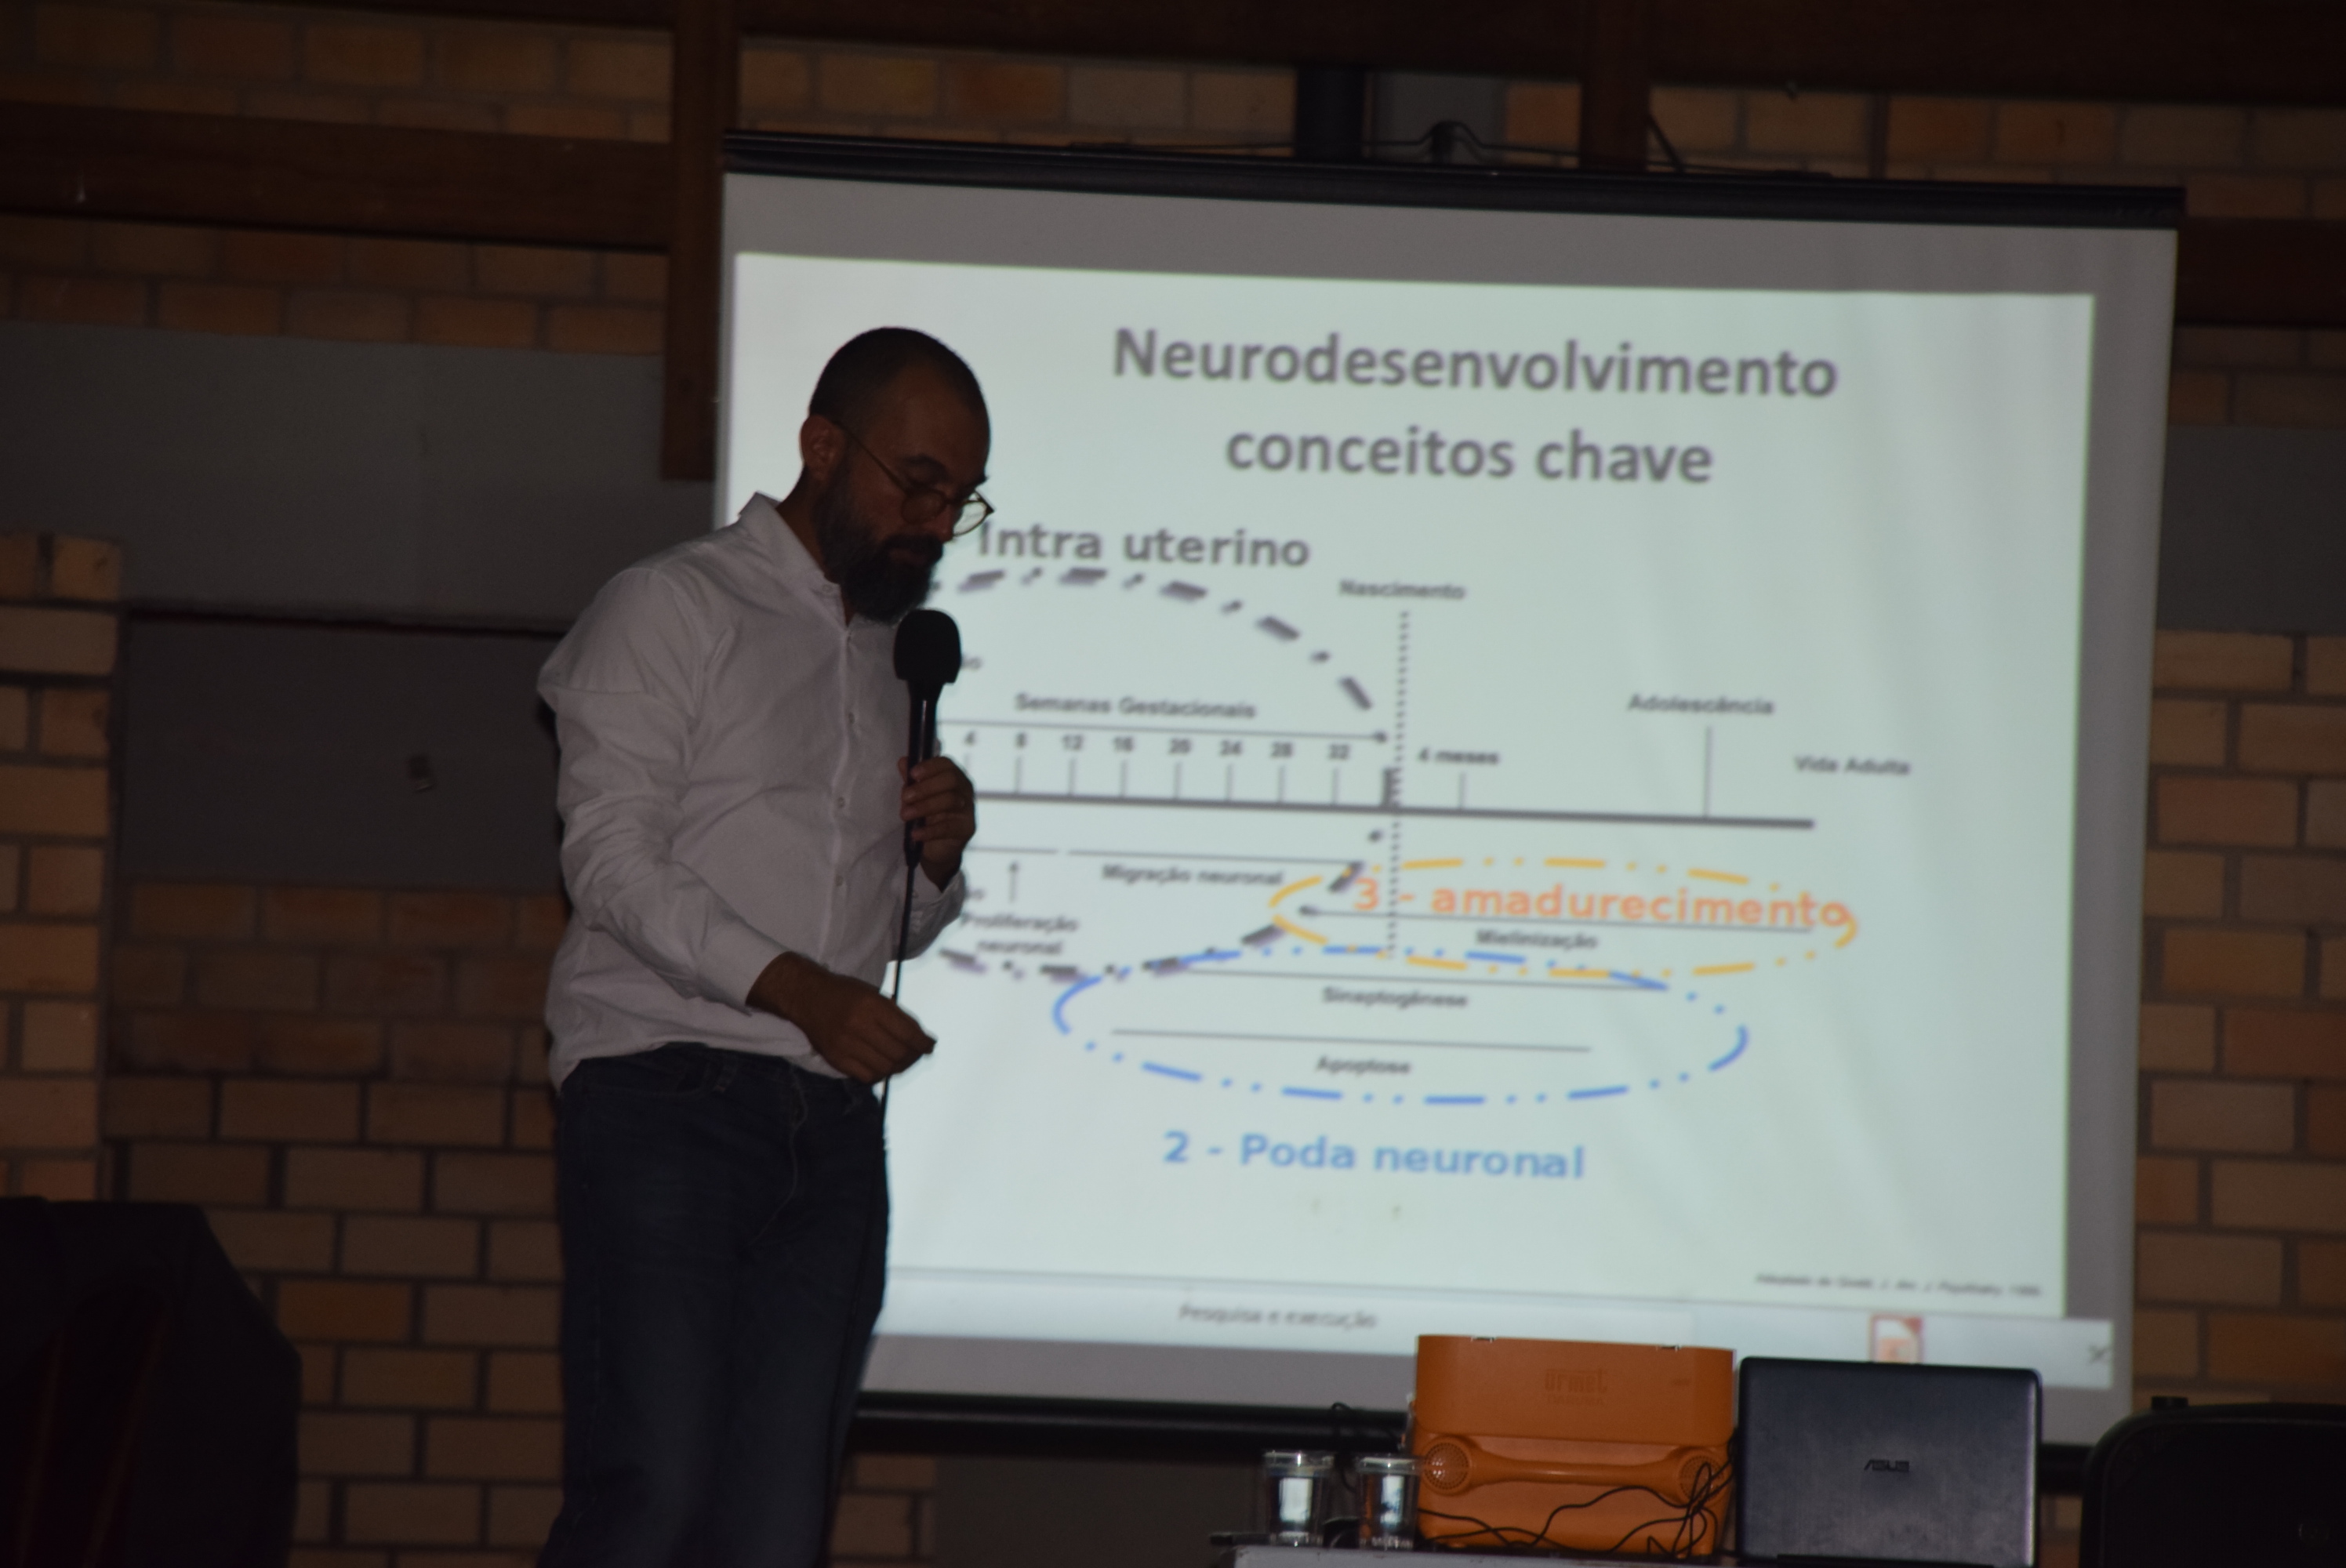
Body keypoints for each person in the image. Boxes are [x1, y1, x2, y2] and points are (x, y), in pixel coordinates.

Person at [534, 328, 987, 1566]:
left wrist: (935, 865)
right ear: (822, 447)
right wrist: (799, 991)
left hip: (829, 1132)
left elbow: (875, 927)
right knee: (654, 1496)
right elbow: (610, 861)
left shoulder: (893, 659)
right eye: (917, 484)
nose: (936, 524)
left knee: (777, 1533)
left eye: (960, 498)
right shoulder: (674, 606)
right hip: (666, 1102)